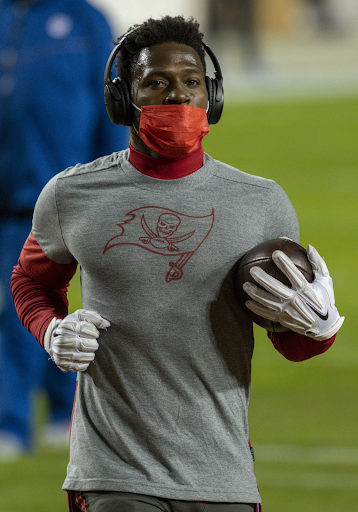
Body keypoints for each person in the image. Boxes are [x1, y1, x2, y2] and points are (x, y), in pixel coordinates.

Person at [10, 15, 344, 511]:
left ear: (212, 94)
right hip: (112, 473)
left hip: (222, 474)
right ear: (123, 99)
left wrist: (321, 326)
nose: (178, 97)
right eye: (157, 83)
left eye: (192, 83)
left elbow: (291, 345)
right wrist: (52, 331)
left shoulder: (262, 202)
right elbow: (30, 282)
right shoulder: (71, 195)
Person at [0, 0, 129, 458]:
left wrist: (113, 183)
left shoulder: (83, 18)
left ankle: (62, 412)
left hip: (71, 195)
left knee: (73, 305)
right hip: (10, 199)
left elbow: (110, 107)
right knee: (14, 308)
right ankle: (13, 424)